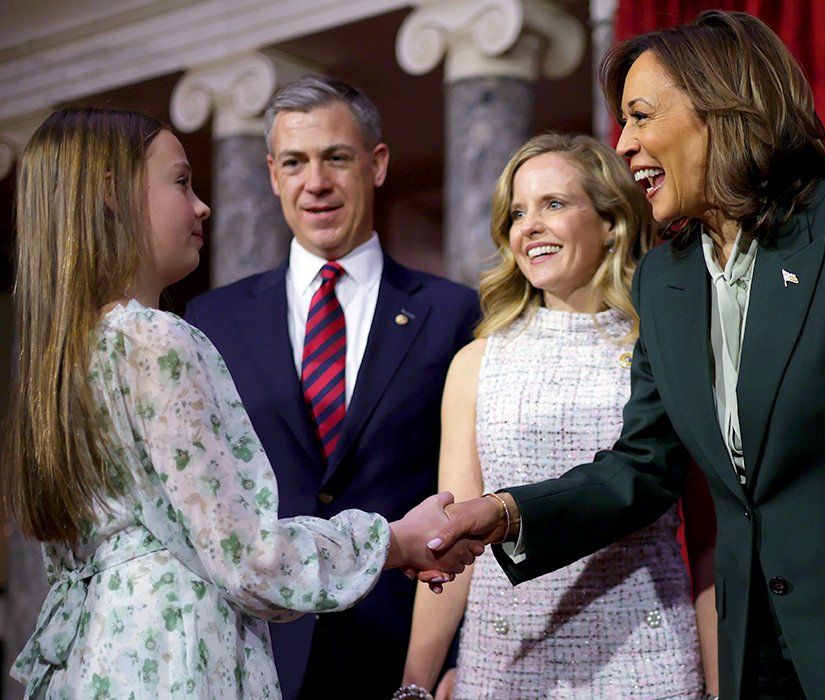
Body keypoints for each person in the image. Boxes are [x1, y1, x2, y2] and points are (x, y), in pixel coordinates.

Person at [427, 11, 825, 700]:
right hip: (756, 643)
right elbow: (642, 465)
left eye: (639, 117)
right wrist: (506, 513)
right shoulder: (665, 281)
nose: (624, 144)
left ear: (719, 107)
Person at [3, 108, 483, 699]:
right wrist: (397, 540)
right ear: (112, 196)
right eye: (181, 182)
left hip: (101, 660)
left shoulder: (65, 357)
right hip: (179, 657)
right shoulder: (156, 338)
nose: (203, 206)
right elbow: (248, 558)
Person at [183, 76, 480, 697]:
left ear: (376, 164)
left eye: (335, 158)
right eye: (294, 162)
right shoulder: (213, 320)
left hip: (403, 654)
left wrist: (461, 654)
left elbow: (475, 490)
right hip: (255, 651)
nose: (314, 182)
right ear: (271, 174)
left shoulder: (453, 313)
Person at [398, 133, 718, 699]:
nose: (530, 226)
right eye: (518, 212)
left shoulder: (665, 343)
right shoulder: (477, 361)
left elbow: (710, 536)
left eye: (553, 204)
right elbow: (453, 542)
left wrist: (720, 686)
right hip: (504, 662)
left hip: (647, 663)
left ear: (611, 222)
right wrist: (415, 686)